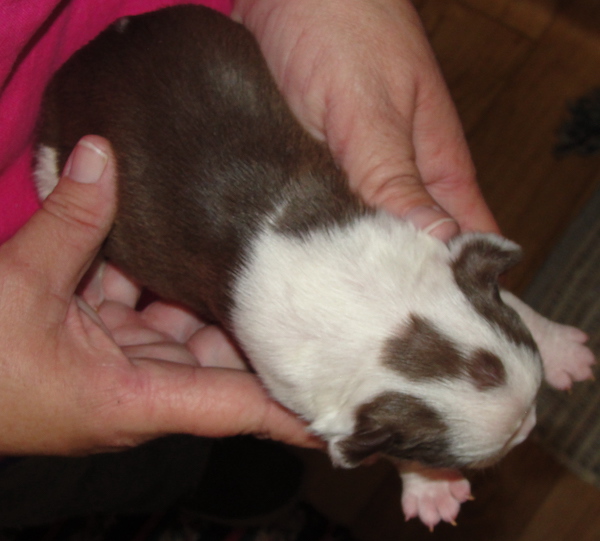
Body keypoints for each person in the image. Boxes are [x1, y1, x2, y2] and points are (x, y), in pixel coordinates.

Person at [0, 0, 500, 518]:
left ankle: (196, 471)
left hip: (187, 70)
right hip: (70, 227)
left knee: (172, 420)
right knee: (105, 467)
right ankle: (192, 476)